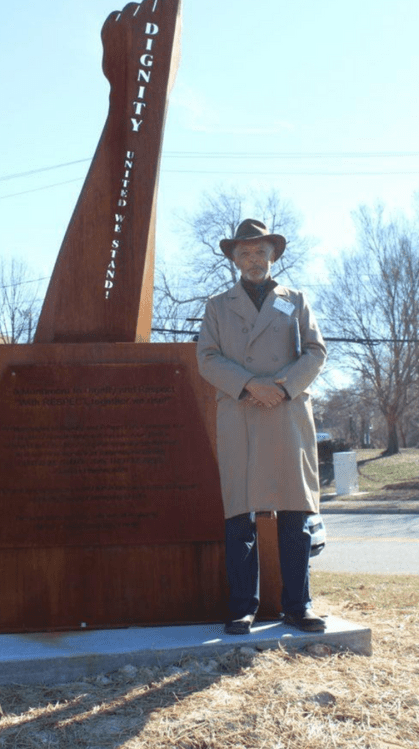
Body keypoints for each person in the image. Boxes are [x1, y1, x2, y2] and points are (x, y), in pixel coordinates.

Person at [196, 218, 327, 634]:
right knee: (240, 516)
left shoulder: (296, 299)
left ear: (273, 255)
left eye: (260, 252)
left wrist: (282, 388)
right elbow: (208, 358)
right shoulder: (217, 306)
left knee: (294, 515)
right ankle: (242, 608)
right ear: (234, 259)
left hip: (286, 415)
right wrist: (250, 384)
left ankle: (299, 605)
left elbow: (316, 351)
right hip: (241, 414)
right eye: (245, 253)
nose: (253, 259)